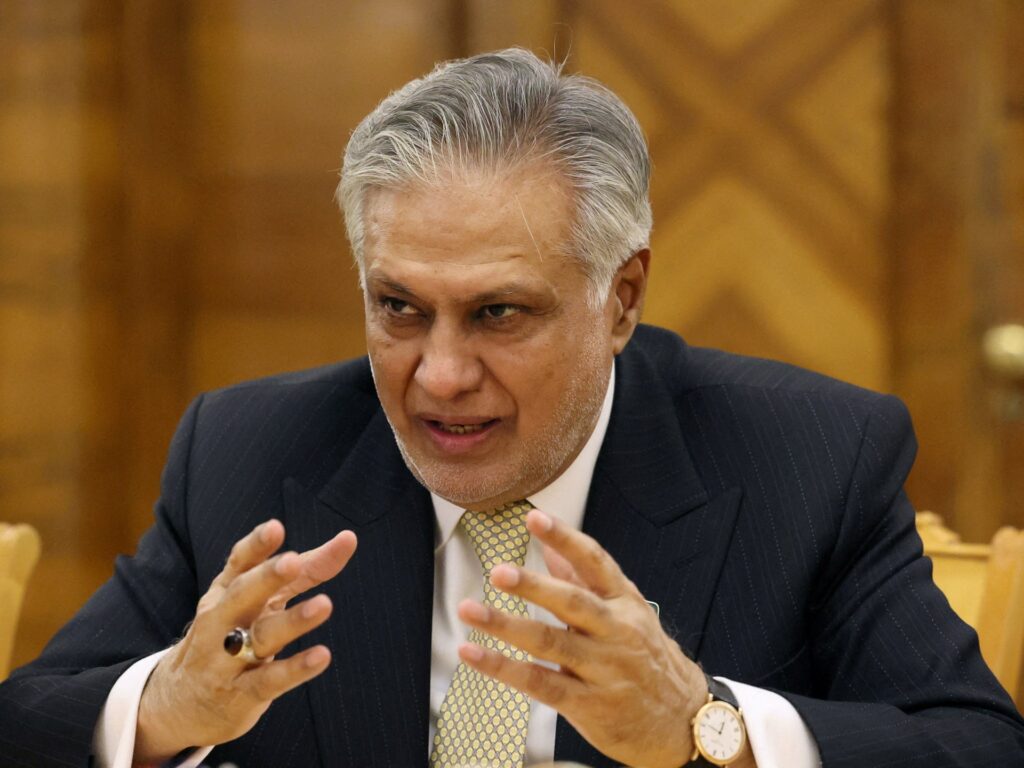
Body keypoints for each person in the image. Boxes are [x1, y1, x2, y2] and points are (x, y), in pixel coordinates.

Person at [1, 47, 1022, 768]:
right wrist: (163, 713)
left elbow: (978, 746)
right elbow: (27, 720)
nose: (441, 375)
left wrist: (706, 727)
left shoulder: (808, 460)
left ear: (620, 298)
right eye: (400, 309)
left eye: (499, 314)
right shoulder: (249, 451)